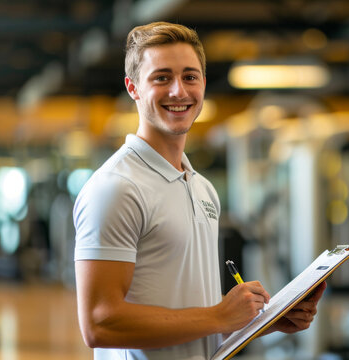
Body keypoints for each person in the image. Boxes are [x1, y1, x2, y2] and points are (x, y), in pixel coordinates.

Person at [73, 21, 326, 360]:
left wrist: (260, 321)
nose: (179, 91)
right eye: (161, 77)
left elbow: (193, 317)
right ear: (133, 87)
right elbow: (99, 324)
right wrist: (220, 315)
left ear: (203, 84)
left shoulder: (203, 189)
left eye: (190, 76)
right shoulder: (116, 188)